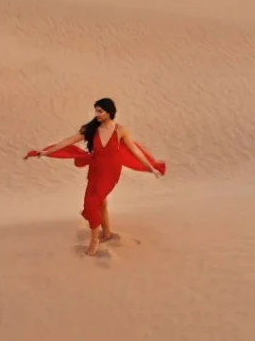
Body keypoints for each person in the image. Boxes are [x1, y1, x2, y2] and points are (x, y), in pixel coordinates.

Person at [25, 97, 164, 256]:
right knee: (101, 203)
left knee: (92, 204)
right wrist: (45, 152)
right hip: (96, 170)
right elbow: (67, 142)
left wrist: (150, 167)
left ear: (109, 112)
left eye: (100, 111)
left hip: (111, 171)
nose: (96, 114)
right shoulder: (92, 129)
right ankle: (107, 233)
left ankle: (94, 240)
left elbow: (135, 150)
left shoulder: (121, 130)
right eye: (96, 111)